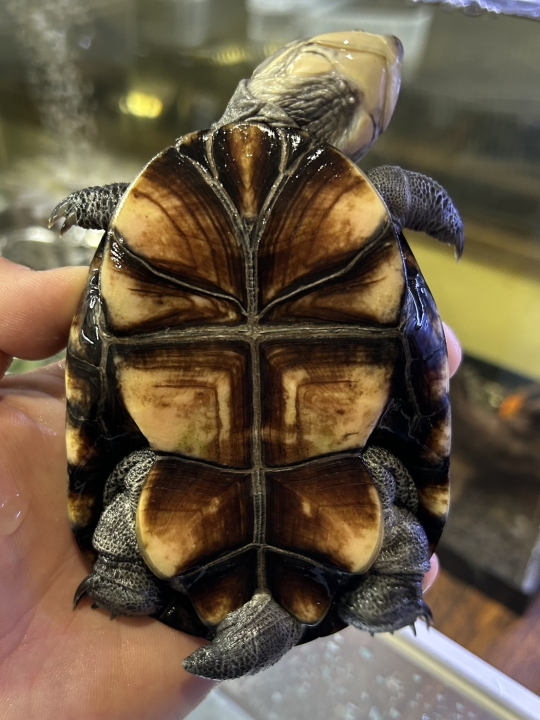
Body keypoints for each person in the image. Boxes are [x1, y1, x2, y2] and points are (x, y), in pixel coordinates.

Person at [0, 257, 461, 720]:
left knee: (135, 542)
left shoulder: (144, 489)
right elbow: (402, 512)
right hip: (338, 282)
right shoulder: (372, 492)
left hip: (177, 285)